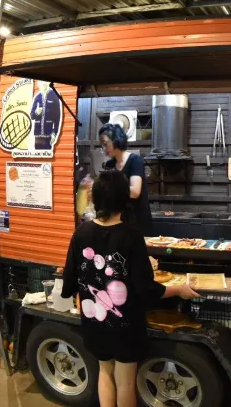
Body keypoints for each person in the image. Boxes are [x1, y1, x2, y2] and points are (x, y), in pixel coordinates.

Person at [61, 171, 199, 407]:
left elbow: (70, 280)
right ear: (123, 199)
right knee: (125, 382)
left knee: (105, 372)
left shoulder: (81, 233)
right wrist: (179, 290)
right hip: (125, 327)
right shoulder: (131, 236)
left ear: (96, 198)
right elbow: (145, 289)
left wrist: (80, 296)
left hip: (94, 321)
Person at [99, 124, 155, 236]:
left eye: (105, 144)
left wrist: (109, 188)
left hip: (138, 220)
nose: (103, 148)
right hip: (118, 221)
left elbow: (135, 192)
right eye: (102, 145)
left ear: (115, 139)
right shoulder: (109, 165)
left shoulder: (135, 160)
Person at [31, 81, 62, 150]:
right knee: (38, 154)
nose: (43, 84)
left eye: (44, 82)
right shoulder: (37, 97)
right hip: (38, 135)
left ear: (48, 83)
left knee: (47, 153)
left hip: (49, 135)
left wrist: (54, 133)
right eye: (41, 82)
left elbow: (57, 117)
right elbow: (32, 116)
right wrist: (36, 112)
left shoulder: (54, 95)